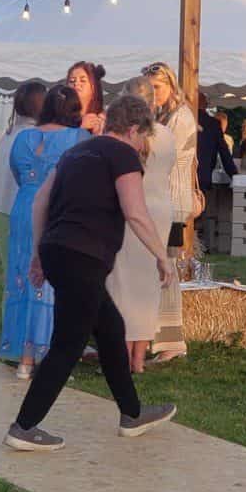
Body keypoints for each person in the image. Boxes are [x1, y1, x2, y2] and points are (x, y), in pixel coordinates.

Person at [4, 95, 179, 451]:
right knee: (67, 344)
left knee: (110, 329)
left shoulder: (75, 153)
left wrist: (39, 253)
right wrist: (163, 256)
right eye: (142, 137)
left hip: (57, 247)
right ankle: (23, 426)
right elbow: (135, 212)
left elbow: (41, 202)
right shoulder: (122, 155)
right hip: (83, 255)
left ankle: (132, 413)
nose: (143, 145)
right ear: (132, 130)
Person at [0, 84, 88, 376]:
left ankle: (24, 355)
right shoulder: (78, 137)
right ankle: (46, 356)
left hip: (24, 206)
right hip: (57, 208)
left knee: (24, 276)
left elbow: (17, 171)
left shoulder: (23, 138)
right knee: (53, 282)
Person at [109, 77, 178, 373]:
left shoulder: (126, 136)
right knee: (149, 284)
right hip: (161, 211)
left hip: (131, 209)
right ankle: (139, 358)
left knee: (122, 283)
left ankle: (122, 356)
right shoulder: (165, 134)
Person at [142, 62, 198, 363]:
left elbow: (161, 155)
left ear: (170, 85)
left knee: (167, 269)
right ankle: (160, 336)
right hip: (161, 200)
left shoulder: (181, 117)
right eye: (149, 88)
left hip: (173, 203)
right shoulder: (164, 115)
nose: (153, 94)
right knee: (160, 267)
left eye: (157, 88)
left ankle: (172, 340)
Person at [0, 82, 47, 267]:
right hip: (21, 211)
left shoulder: (8, 135)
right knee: (27, 276)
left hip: (0, 209)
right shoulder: (35, 136)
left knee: (12, 276)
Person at [196, 106, 237, 192]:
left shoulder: (174, 117)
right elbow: (224, 153)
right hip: (203, 177)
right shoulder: (212, 124)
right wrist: (235, 176)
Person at [66, 61, 106, 133]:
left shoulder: (106, 118)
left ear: (94, 87)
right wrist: (80, 127)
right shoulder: (59, 118)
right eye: (72, 81)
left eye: (82, 80)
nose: (76, 84)